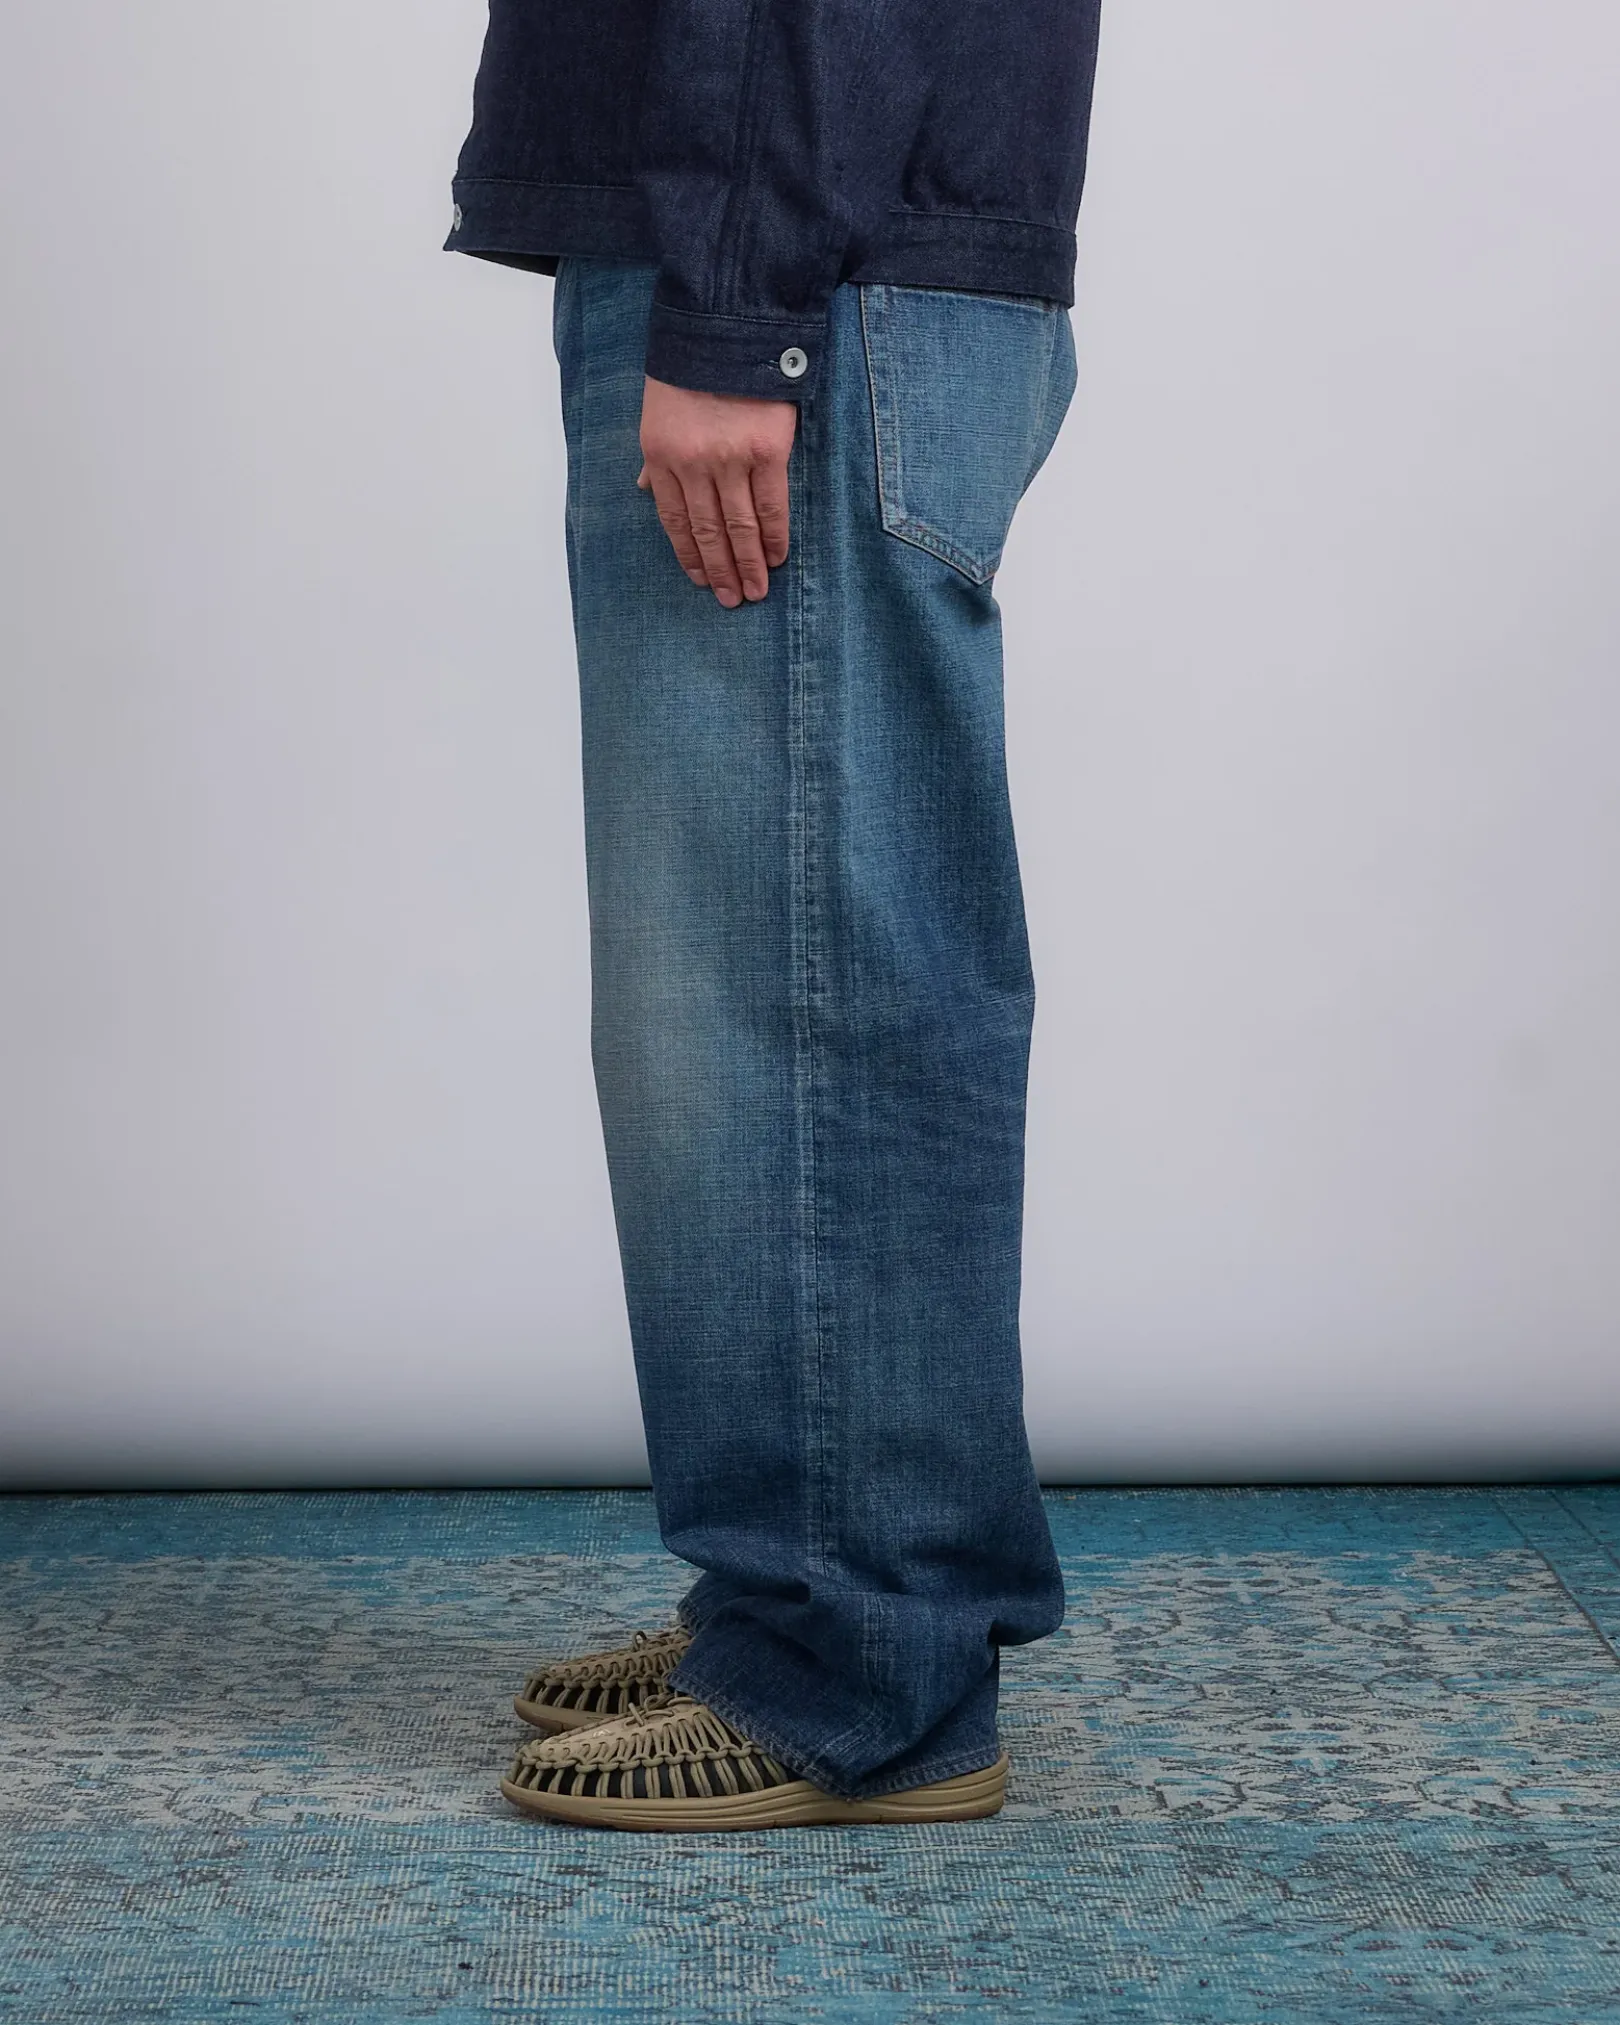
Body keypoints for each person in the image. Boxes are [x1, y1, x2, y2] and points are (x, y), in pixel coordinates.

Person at [445, 0, 1103, 1830]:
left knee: (790, 994)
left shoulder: (767, 282)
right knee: (766, 970)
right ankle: (796, 1597)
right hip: (795, 239)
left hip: (794, 262)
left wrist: (746, 300)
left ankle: (859, 1663)